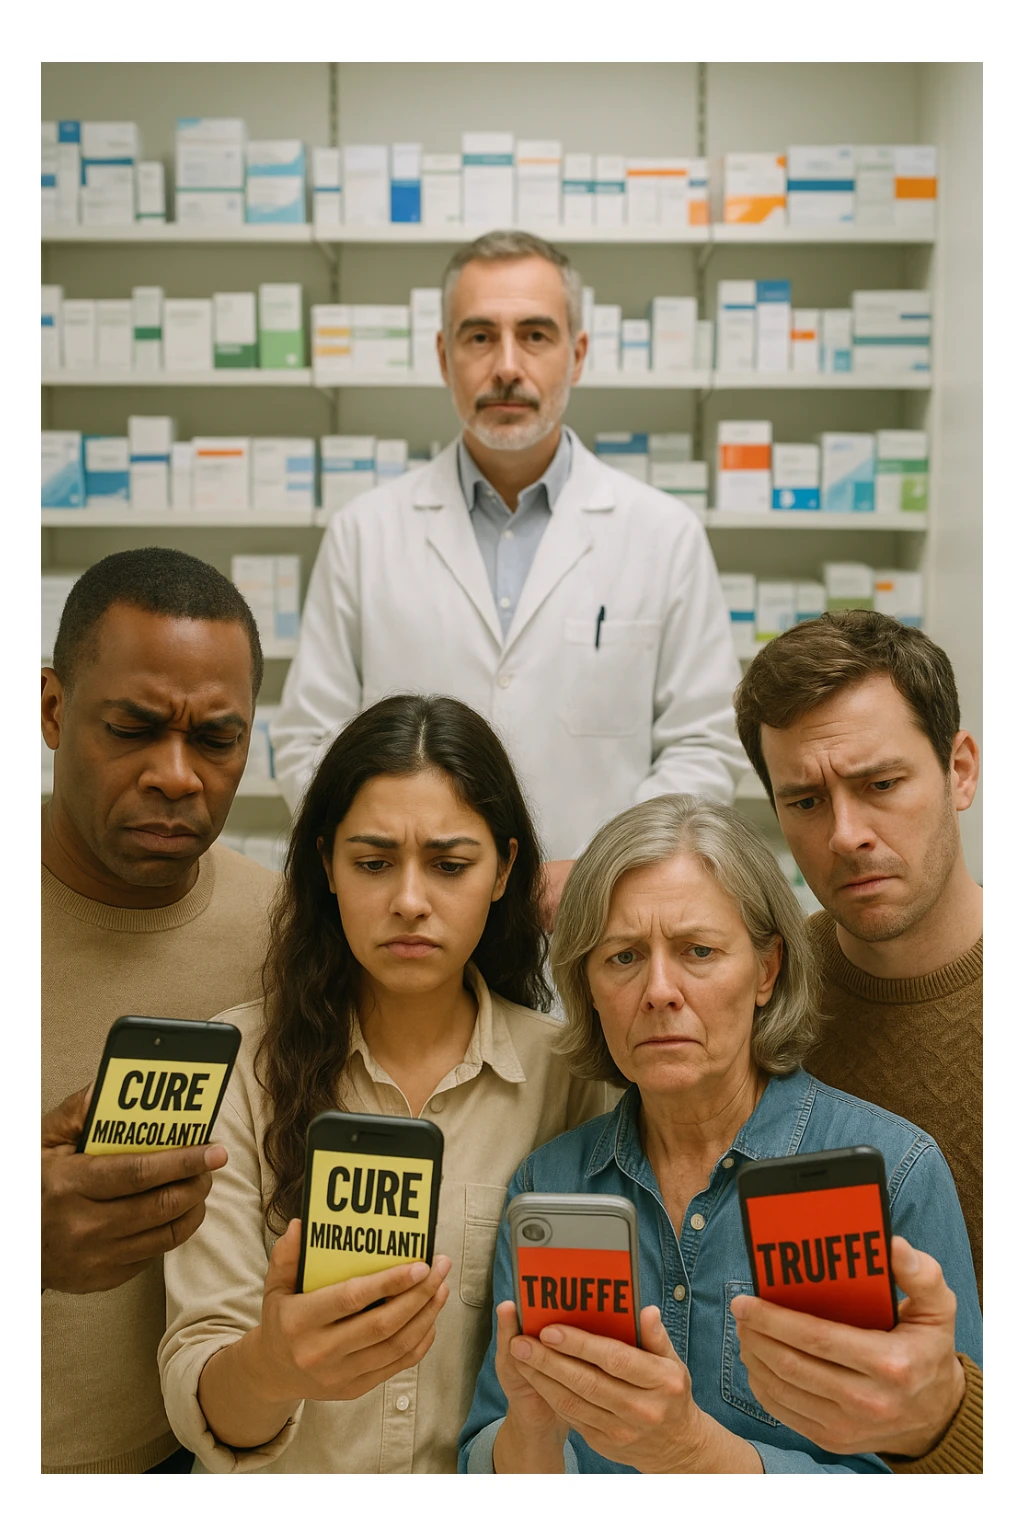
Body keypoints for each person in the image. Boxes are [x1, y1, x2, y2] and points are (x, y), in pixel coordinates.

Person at [458, 794, 980, 1475]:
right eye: (622, 958)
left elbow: (956, 1482)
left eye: (697, 950)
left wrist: (695, 1455)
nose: (659, 990)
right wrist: (529, 1434)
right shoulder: (550, 1185)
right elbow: (484, 1454)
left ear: (766, 971)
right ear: (585, 985)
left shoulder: (895, 1171)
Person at [158, 694, 614, 1473]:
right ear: (327, 866)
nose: (409, 900)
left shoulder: (574, 1079)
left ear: (504, 870)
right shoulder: (237, 1064)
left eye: (449, 865)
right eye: (373, 863)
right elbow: (202, 1388)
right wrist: (274, 1365)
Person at [270, 229, 746, 924]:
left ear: (576, 355)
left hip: (595, 927)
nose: (507, 366)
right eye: (479, 337)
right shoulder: (365, 533)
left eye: (535, 335)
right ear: (443, 356)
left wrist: (600, 871)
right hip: (410, 921)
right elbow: (308, 741)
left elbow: (704, 744)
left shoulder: (662, 534)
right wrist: (396, 863)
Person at [41, 547, 279, 1475]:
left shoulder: (291, 931)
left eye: (216, 740)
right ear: (53, 709)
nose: (177, 775)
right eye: (135, 728)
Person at [732, 610, 982, 1472]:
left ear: (959, 770)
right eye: (804, 800)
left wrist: (951, 1419)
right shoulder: (744, 996)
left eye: (880, 784)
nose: (844, 835)